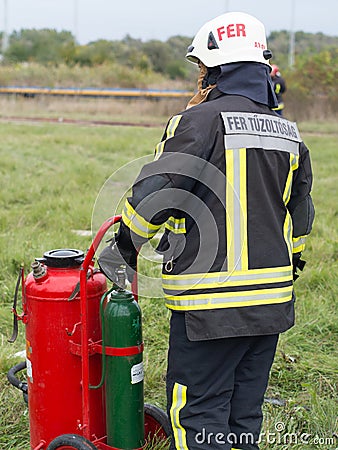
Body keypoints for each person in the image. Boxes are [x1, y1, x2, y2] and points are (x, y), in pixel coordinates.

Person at [98, 11, 314, 450]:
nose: (199, 80)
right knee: (242, 415)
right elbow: (300, 217)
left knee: (198, 415)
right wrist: (286, 267)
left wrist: (123, 247)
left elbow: (156, 192)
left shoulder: (196, 122)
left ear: (215, 70)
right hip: (271, 304)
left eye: (201, 69)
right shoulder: (288, 133)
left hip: (211, 308)